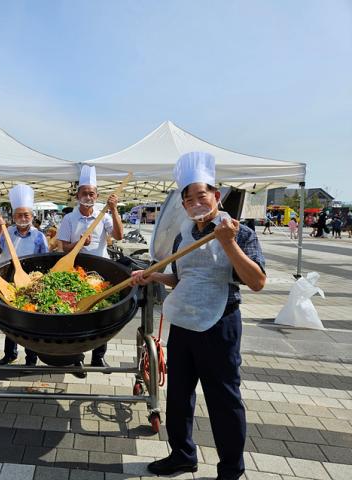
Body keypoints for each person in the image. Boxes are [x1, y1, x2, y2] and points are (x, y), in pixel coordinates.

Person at [130, 152, 266, 480]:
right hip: (185, 324)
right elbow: (183, 278)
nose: (195, 203)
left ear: (216, 196)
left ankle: (231, 470)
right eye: (188, 199)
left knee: (223, 398)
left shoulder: (239, 232)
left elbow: (257, 282)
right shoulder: (183, 235)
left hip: (220, 325)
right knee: (178, 395)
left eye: (201, 196)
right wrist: (155, 277)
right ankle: (182, 455)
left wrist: (228, 243)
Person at [57, 165, 123, 373]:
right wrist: (77, 243)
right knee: (77, 313)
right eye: (84, 193)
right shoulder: (69, 218)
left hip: (101, 272)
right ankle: (77, 358)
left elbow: (119, 236)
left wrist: (113, 209)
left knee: (101, 313)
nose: (88, 196)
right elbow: (62, 247)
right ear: (77, 195)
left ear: (97, 195)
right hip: (76, 272)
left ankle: (99, 357)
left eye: (91, 193)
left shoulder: (104, 215)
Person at [0, 184, 48, 366]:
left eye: (26, 215)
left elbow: (46, 261)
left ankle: (31, 357)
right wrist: (0, 230)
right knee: (10, 319)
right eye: (19, 215)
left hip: (31, 281)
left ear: (32, 216)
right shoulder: (7, 233)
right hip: (8, 280)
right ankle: (10, 354)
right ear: (13, 217)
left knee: (30, 320)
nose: (23, 218)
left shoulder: (39, 236)